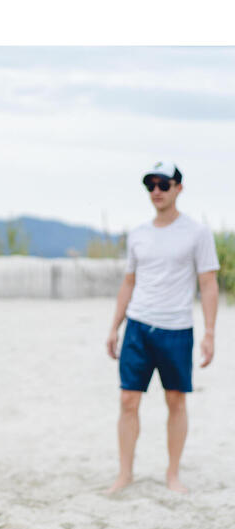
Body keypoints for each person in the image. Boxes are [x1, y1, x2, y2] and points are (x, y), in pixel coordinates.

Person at [105, 160, 219, 494]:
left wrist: (210, 332)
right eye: (150, 185)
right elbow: (129, 282)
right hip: (138, 326)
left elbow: (208, 284)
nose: (156, 191)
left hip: (177, 329)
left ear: (178, 188)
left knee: (176, 401)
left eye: (163, 184)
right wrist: (115, 326)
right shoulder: (138, 234)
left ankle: (173, 474)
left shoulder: (197, 233)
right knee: (128, 400)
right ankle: (125, 474)